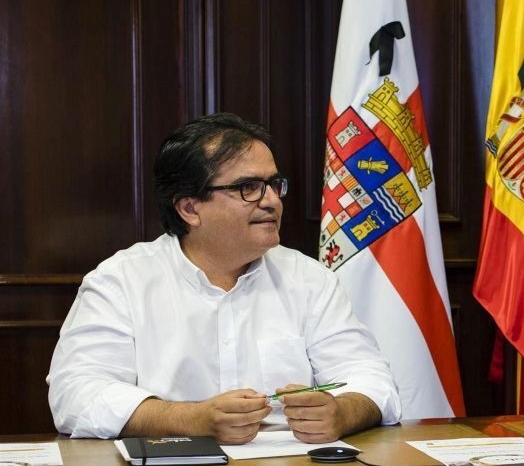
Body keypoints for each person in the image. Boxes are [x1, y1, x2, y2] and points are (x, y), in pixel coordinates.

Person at [47, 113, 401, 444]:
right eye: (249, 187)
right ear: (189, 208)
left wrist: (343, 412)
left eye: (274, 185)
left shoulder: (310, 280)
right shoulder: (122, 281)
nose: (272, 201)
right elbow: (76, 394)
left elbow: (373, 381)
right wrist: (191, 419)